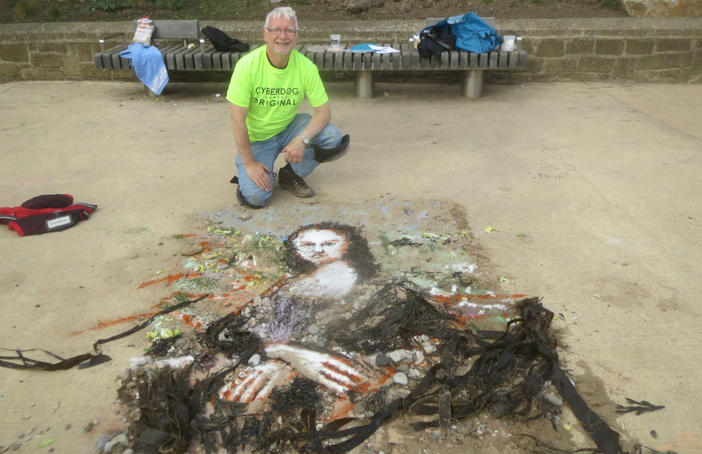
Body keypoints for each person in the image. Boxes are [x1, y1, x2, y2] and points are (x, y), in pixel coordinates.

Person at [227, 6, 350, 208]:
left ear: (297, 36)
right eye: (275, 29)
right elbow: (237, 119)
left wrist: (302, 140)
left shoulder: (306, 67)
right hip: (257, 138)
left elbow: (324, 112)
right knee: (256, 198)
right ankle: (249, 173)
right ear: (265, 34)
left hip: (288, 127)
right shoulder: (247, 66)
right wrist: (249, 163)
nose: (282, 36)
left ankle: (290, 174)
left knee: (332, 137)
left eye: (289, 30)